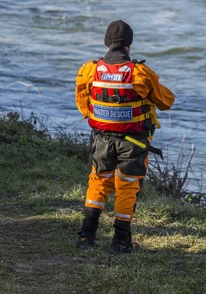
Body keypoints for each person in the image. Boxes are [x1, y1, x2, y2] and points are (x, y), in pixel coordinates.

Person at [75, 20, 175, 253]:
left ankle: (85, 237)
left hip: (101, 140)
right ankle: (120, 242)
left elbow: (83, 106)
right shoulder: (141, 73)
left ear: (107, 44)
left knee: (98, 182)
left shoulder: (89, 69)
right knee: (127, 187)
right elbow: (167, 101)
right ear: (129, 46)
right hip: (134, 142)